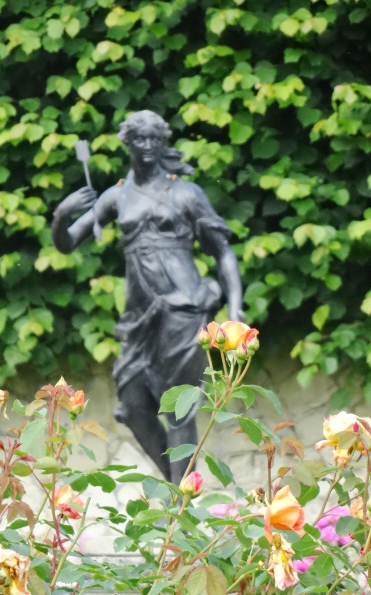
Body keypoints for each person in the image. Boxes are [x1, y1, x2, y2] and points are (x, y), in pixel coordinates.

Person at [52, 110, 243, 483]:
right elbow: (68, 242)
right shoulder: (117, 195)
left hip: (185, 307)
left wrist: (235, 308)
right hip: (140, 314)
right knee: (134, 404)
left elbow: (222, 253)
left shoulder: (186, 193)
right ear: (128, 142)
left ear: (163, 141)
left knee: (179, 411)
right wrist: (62, 214)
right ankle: (180, 491)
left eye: (155, 138)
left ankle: (179, 504)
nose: (148, 146)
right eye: (140, 138)